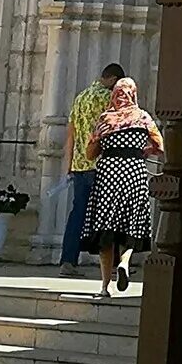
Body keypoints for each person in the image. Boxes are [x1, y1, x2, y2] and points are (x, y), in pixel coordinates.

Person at [80, 76, 163, 297]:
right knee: (131, 223)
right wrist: (145, 150)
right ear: (133, 94)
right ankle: (125, 262)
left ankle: (105, 286)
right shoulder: (143, 118)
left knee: (105, 229)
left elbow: (89, 153)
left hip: (108, 176)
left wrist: (101, 140)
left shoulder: (106, 119)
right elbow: (160, 145)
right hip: (134, 174)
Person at [58, 61, 123, 277]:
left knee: (78, 212)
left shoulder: (81, 97)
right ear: (113, 80)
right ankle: (112, 264)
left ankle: (68, 260)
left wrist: (68, 165)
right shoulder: (109, 99)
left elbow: (71, 133)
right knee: (109, 214)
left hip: (80, 165)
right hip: (104, 165)